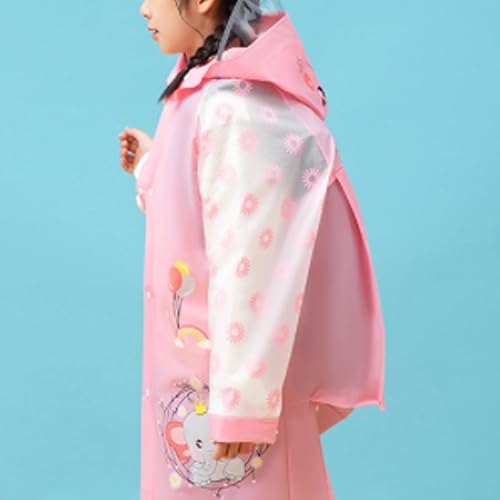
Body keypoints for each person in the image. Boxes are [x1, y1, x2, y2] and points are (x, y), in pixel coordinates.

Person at [118, 0, 386, 498]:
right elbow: (196, 213)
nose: (142, 9)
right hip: (195, 380)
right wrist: (153, 164)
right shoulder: (202, 94)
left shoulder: (235, 111)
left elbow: (251, 261)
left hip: (231, 389)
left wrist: (241, 400)